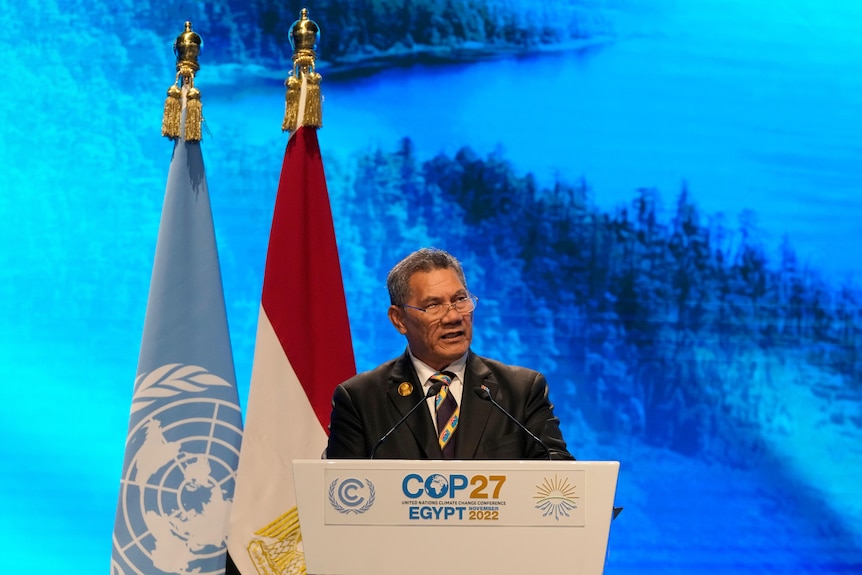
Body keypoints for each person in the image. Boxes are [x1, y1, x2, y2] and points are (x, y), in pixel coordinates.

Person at [326, 248, 573, 460]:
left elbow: (560, 482)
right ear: (399, 319)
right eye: (433, 305)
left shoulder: (521, 391)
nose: (454, 316)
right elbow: (340, 495)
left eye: (460, 299)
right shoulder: (361, 399)